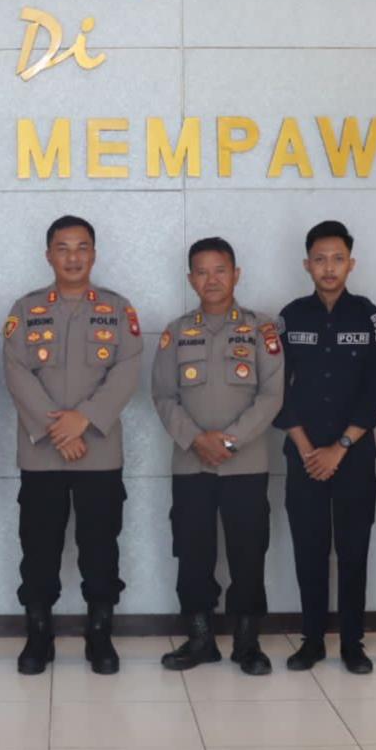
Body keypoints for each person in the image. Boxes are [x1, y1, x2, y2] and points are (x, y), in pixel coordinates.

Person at [3, 215, 143, 676]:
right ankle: (38, 633)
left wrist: (83, 420)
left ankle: (99, 634)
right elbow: (16, 371)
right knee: (38, 547)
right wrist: (58, 430)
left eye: (82, 247)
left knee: (100, 547)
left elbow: (127, 370)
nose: (73, 257)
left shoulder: (117, 309)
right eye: (63, 248)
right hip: (41, 453)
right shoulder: (26, 309)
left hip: (98, 451)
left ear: (94, 254)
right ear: (48, 255)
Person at [152, 237, 283, 675]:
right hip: (191, 464)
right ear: (190, 279)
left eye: (220, 270)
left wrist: (229, 441)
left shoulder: (262, 330)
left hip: (245, 463)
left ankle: (247, 641)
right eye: (202, 271)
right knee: (193, 551)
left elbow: (272, 395)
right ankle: (200, 638)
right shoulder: (175, 332)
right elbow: (163, 396)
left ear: (236, 274)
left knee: (249, 551)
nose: (211, 279)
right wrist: (196, 440)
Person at [273, 221, 376, 675]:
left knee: (354, 550)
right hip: (303, 456)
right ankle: (312, 640)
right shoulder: (289, 318)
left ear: (351, 264)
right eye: (320, 259)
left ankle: (352, 643)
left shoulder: (371, 318)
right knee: (309, 549)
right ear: (307, 264)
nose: (328, 267)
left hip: (353, 457)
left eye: (337, 258)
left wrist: (339, 447)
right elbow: (277, 388)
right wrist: (308, 449)